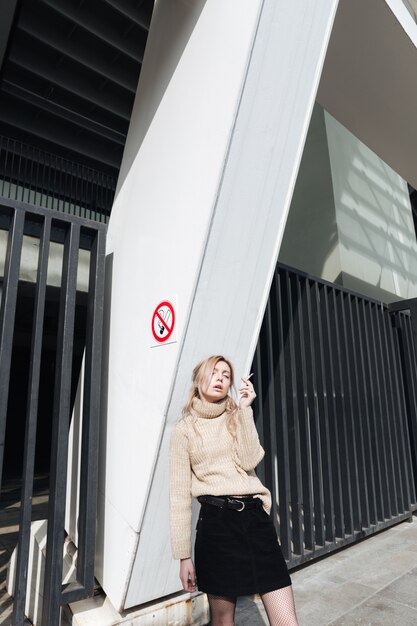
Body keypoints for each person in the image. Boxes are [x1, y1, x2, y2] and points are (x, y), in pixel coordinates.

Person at [170, 355, 298, 626]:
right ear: (198, 379)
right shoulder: (184, 431)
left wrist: (245, 409)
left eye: (226, 375)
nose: (220, 378)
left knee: (286, 620)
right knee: (223, 621)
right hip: (217, 526)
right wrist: (184, 556)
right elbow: (179, 496)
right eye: (214, 372)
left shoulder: (236, 416)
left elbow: (251, 459)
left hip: (255, 521)